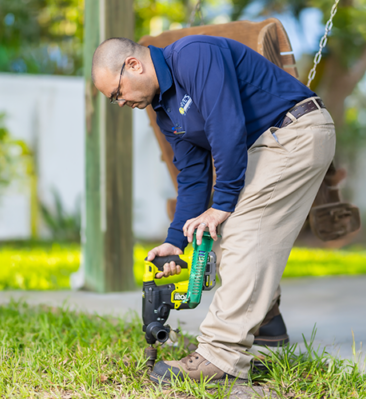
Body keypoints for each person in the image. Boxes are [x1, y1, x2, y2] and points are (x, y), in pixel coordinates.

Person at [91, 35, 336, 384]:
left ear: (133, 65)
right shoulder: (165, 111)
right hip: (264, 146)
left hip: (295, 131)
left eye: (116, 93)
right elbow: (192, 176)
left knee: (242, 232)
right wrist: (176, 241)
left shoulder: (194, 55)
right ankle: (266, 318)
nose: (119, 102)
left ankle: (221, 356)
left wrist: (222, 205)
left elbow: (227, 126)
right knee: (214, 235)